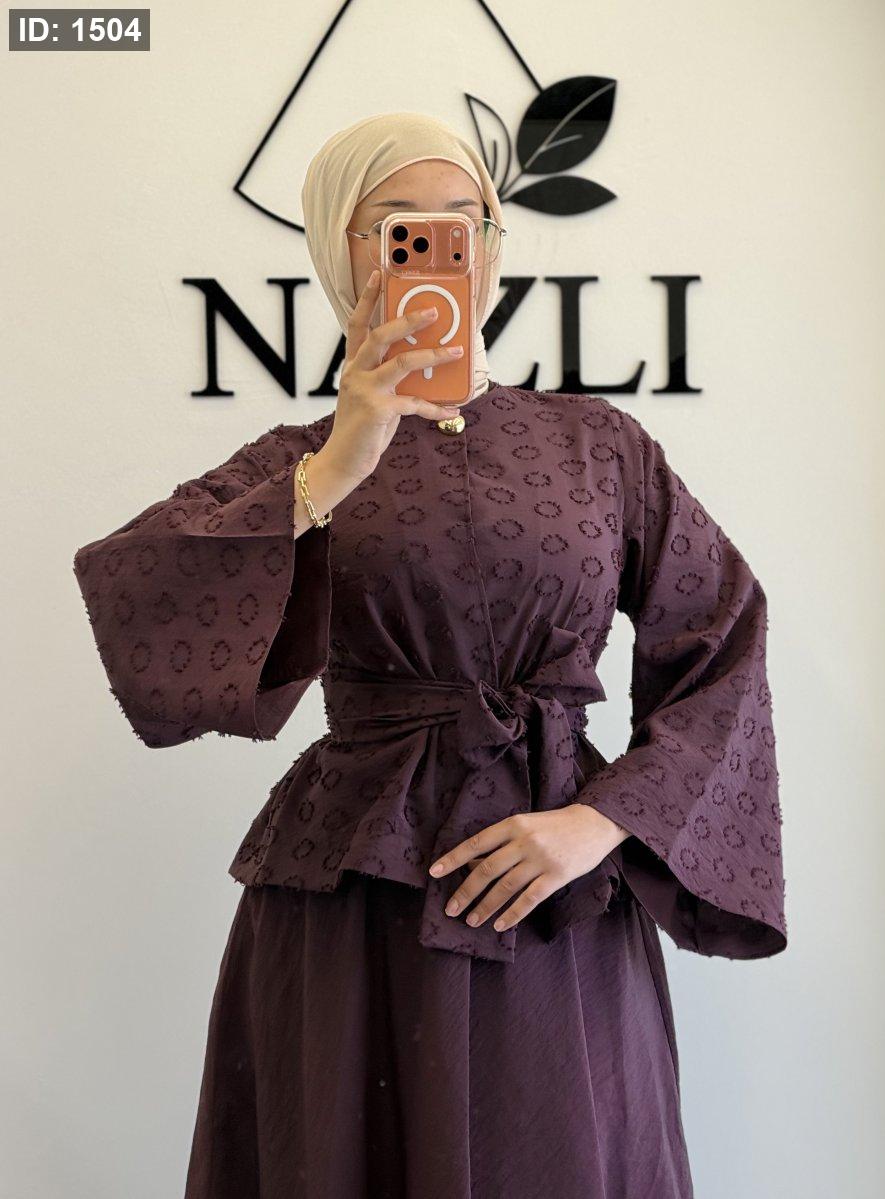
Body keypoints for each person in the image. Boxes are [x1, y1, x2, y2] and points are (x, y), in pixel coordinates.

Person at [72, 111, 787, 1199]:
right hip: (357, 892)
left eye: (467, 224)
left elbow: (724, 633)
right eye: (402, 228)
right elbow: (142, 598)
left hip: (557, 894)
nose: (443, 250)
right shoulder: (300, 457)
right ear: (343, 252)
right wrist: (335, 467)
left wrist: (603, 820)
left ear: (493, 248)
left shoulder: (601, 446)